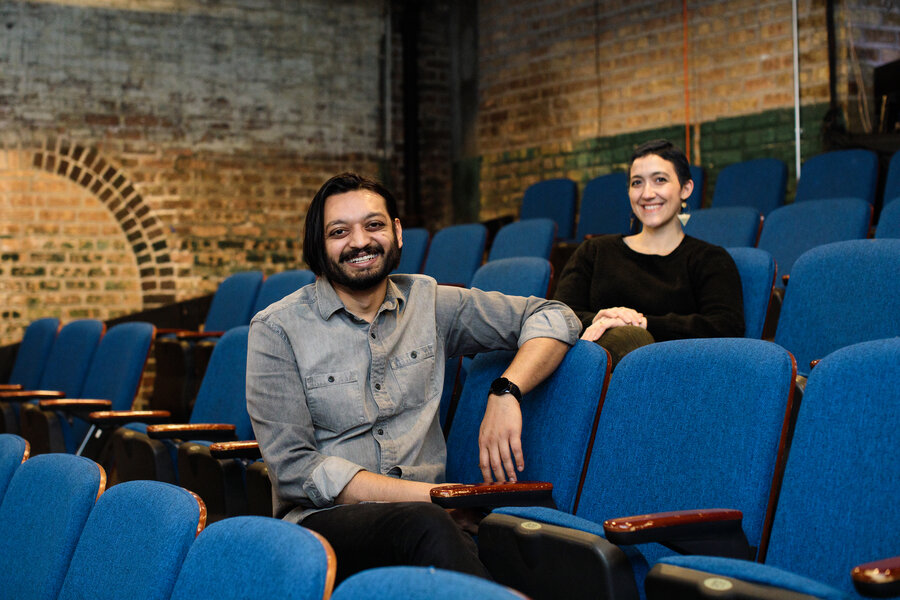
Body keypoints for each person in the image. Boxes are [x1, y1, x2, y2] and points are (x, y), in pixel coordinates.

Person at [246, 172, 580, 583]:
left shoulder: (429, 302)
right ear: (319, 243)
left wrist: (507, 390)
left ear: (397, 232)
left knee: (534, 545)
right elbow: (296, 469)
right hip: (326, 525)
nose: (360, 242)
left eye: (374, 225)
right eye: (339, 231)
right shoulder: (276, 329)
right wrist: (436, 499)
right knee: (428, 526)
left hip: (437, 520)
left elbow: (554, 316)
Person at [554, 139, 744, 367]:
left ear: (686, 189)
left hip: (676, 376)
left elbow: (726, 327)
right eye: (637, 183)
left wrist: (643, 324)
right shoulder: (594, 252)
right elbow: (558, 315)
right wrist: (600, 318)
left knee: (631, 338)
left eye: (660, 180)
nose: (647, 193)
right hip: (593, 373)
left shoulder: (710, 259)